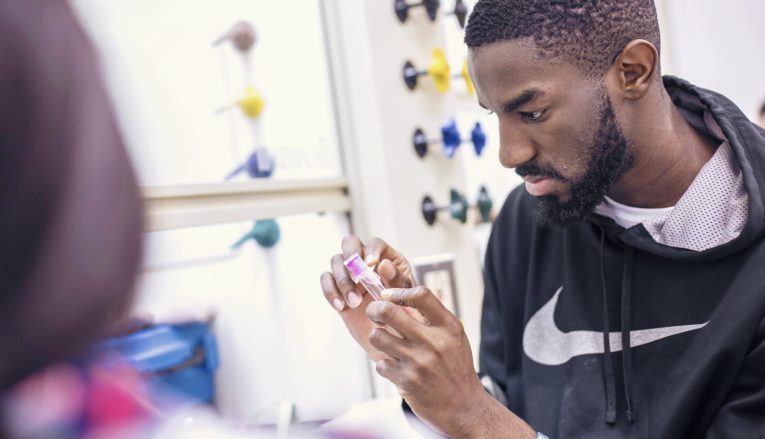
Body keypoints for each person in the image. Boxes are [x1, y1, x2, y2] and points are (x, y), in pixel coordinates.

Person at [320, 0, 765, 437]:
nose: (508, 153)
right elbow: (506, 406)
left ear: (633, 71)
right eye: (496, 115)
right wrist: (422, 369)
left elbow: (486, 423)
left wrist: (473, 414)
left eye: (532, 113)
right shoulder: (528, 217)